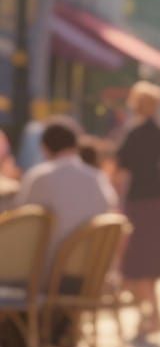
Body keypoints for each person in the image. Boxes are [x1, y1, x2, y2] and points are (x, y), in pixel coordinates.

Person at [15, 117, 118, 276]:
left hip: (44, 275)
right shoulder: (98, 178)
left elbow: (21, 225)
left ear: (44, 148)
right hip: (90, 275)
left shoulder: (39, 177)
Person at [115, 82, 160, 335]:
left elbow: (120, 170)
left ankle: (147, 315)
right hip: (158, 204)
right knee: (151, 263)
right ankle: (153, 314)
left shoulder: (134, 134)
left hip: (137, 202)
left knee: (137, 262)